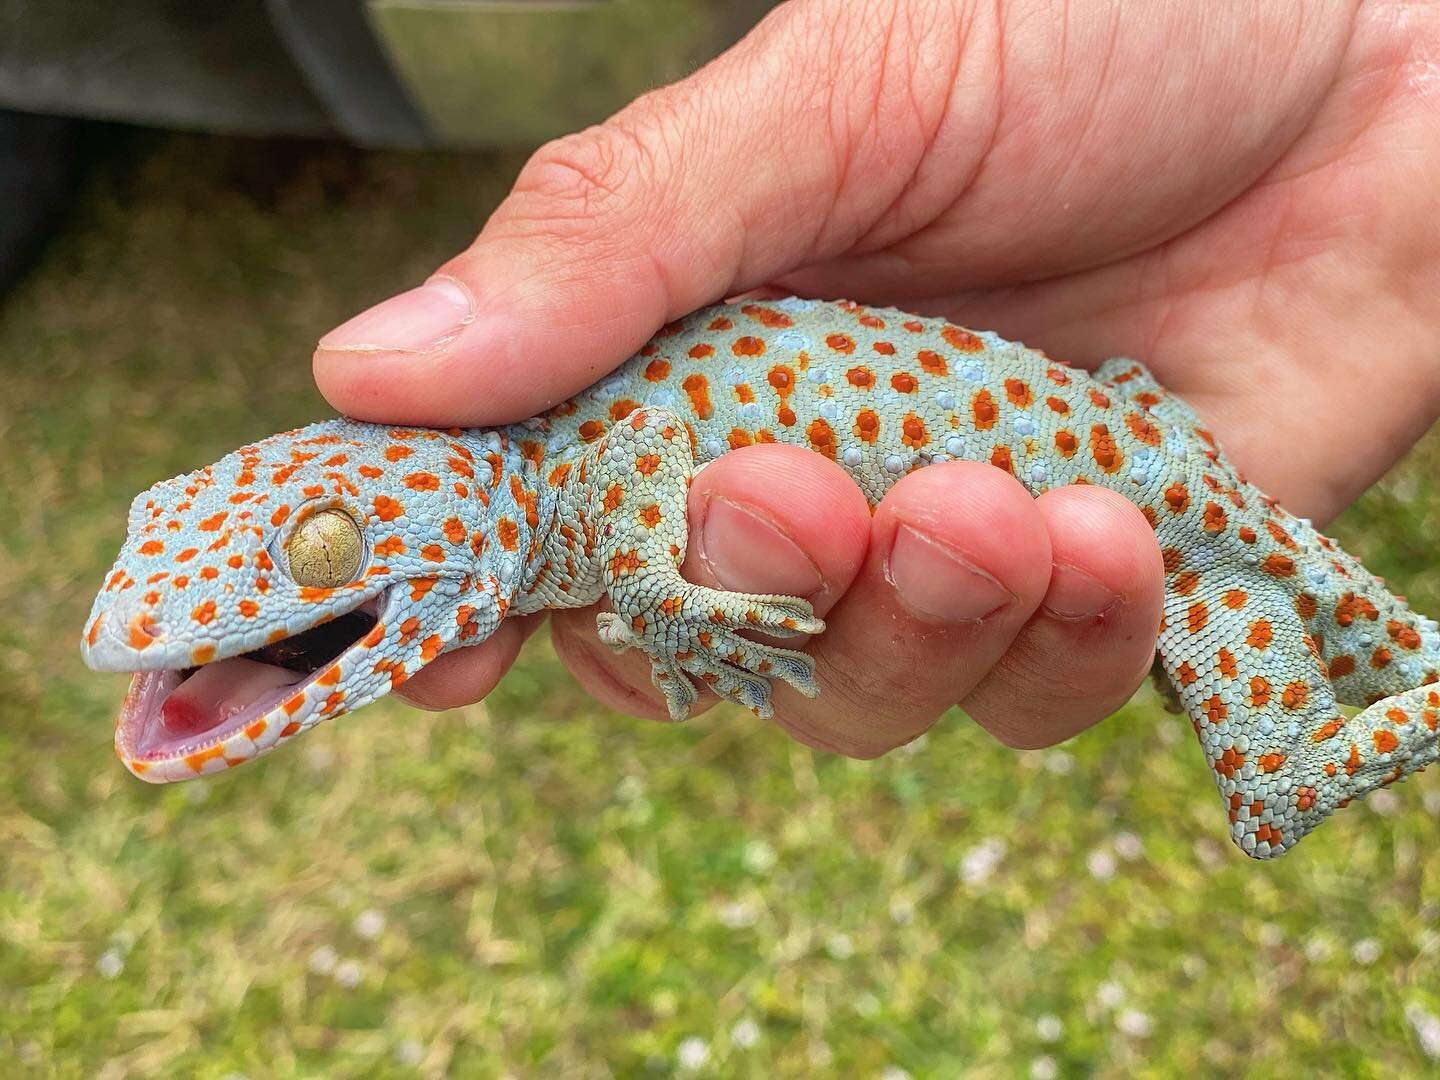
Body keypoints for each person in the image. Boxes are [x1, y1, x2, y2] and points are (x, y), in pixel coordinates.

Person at [311, 0, 1440, 759]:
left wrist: (657, 595)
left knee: (1285, 735)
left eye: (317, 551)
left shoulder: (547, 470)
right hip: (1139, 430)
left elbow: (640, 449)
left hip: (1138, 446)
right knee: (1256, 694)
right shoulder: (517, 487)